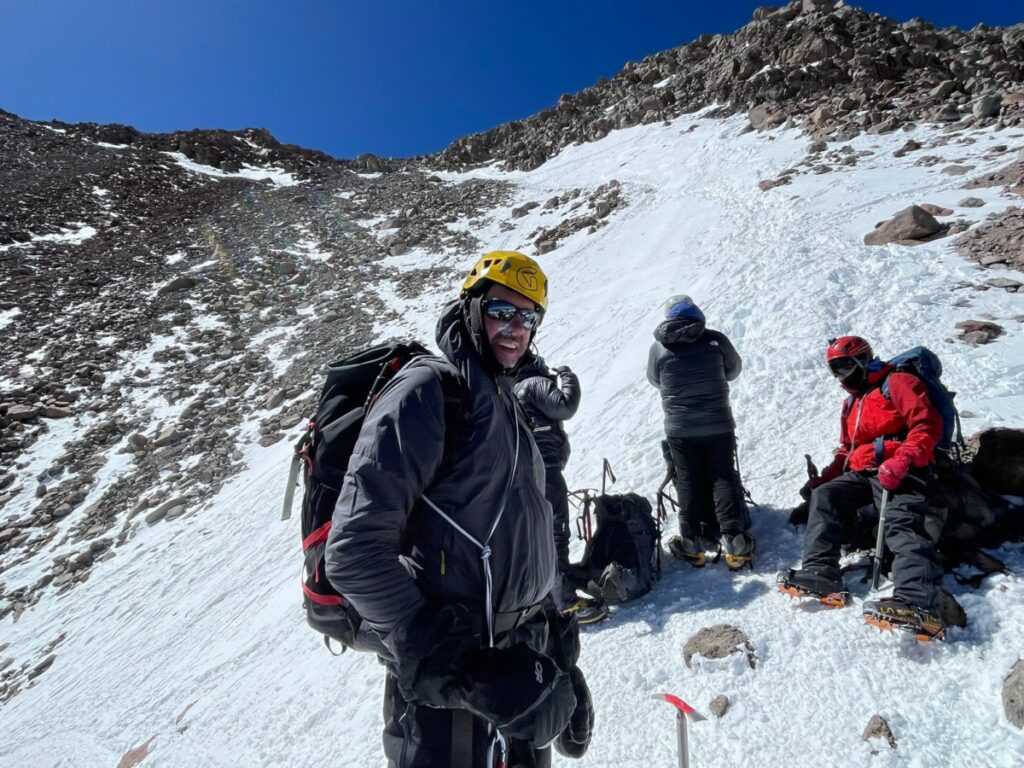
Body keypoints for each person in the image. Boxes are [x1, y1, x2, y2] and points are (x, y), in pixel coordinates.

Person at [325, 250, 592, 767]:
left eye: (529, 317)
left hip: (522, 669)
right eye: (501, 312)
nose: (516, 328)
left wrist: (562, 657)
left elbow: (526, 541)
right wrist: (464, 670)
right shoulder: (429, 392)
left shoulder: (508, 403)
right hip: (449, 694)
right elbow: (354, 551)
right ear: (471, 308)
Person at [777, 335, 946, 640]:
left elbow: (926, 425)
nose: (840, 375)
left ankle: (919, 603)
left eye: (844, 366)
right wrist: (824, 478)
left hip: (905, 467)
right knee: (825, 495)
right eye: (835, 369)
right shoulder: (852, 402)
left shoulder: (898, 383)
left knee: (900, 520)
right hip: (864, 472)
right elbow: (846, 450)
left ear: (862, 360)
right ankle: (821, 572)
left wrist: (904, 459)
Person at [646, 294, 753, 570]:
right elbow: (733, 369)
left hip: (680, 427)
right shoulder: (715, 340)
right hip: (718, 422)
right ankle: (734, 539)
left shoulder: (658, 348)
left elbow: (655, 380)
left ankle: (691, 542)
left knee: (687, 480)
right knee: (722, 476)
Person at [514, 354, 604, 621]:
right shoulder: (534, 383)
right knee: (555, 533)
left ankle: (553, 593)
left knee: (544, 534)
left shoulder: (515, 388)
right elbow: (565, 406)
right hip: (547, 471)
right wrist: (568, 376)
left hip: (532, 470)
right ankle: (564, 603)